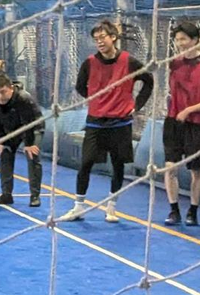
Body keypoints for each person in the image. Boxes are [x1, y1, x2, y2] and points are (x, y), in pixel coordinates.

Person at [60, 21, 153, 224]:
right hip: (96, 122)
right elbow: (80, 86)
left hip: (120, 123)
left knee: (118, 165)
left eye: (103, 37)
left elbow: (148, 81)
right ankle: (78, 206)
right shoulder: (90, 62)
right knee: (86, 163)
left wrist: (136, 105)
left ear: (113, 37)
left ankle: (111, 206)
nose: (99, 42)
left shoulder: (129, 61)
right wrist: (97, 99)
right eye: (96, 39)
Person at [162, 19, 200, 227]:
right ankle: (173, 210)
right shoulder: (174, 63)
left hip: (196, 123)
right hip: (173, 121)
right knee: (170, 167)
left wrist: (189, 110)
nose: (180, 43)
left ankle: (193, 211)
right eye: (177, 40)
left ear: (195, 39)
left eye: (184, 39)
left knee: (196, 170)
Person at [0, 72, 43, 208]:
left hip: (32, 127)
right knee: (5, 153)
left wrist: (29, 144)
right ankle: (6, 195)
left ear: (11, 88)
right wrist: (2, 141)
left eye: (3, 92)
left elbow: (29, 123)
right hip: (11, 128)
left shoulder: (23, 98)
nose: (0, 97)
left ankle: (35, 196)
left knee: (32, 155)